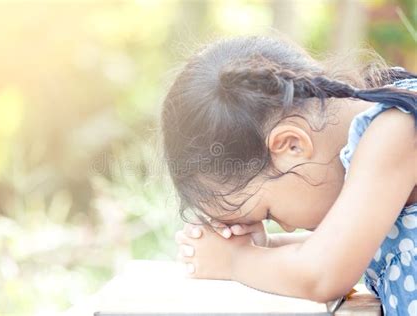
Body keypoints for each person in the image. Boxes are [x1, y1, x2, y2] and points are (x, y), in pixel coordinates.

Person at [160, 35, 416, 316]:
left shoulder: (396, 131)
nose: (287, 227)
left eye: (269, 214)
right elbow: (352, 243)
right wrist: (266, 247)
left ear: (291, 145)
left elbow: (324, 272)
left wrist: (235, 260)